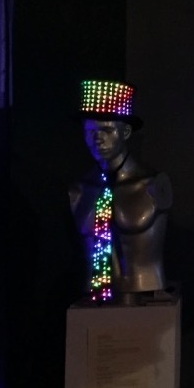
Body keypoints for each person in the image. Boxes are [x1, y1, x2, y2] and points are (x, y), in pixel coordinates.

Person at [69, 79, 173, 305]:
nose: (98, 139)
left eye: (106, 130)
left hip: (144, 294)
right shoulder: (79, 190)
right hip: (95, 303)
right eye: (90, 131)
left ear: (125, 132)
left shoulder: (152, 184)